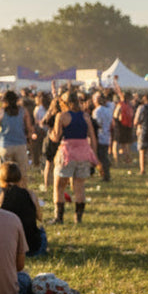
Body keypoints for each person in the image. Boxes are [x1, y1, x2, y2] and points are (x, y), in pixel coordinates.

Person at [50, 90, 98, 224]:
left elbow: (56, 137)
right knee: (79, 187)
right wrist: (94, 156)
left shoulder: (62, 116)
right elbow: (92, 138)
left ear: (64, 103)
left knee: (59, 186)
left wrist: (50, 134)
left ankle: (59, 217)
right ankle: (78, 218)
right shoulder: (86, 116)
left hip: (67, 154)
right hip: (83, 153)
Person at [0, 161, 47, 257]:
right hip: (32, 248)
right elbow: (40, 217)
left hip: (6, 249)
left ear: (0, 178)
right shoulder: (30, 194)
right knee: (41, 231)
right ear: (19, 178)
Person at [0, 89, 32, 184]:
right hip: (20, 145)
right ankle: (21, 194)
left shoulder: (0, 112)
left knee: (3, 174)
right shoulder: (23, 111)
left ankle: (4, 194)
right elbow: (29, 128)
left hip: (4, 145)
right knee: (22, 175)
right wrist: (29, 140)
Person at [91, 91, 113, 182]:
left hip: (99, 136)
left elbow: (97, 124)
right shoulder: (108, 110)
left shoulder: (97, 111)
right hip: (106, 135)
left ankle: (105, 174)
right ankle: (104, 172)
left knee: (101, 157)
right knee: (103, 156)